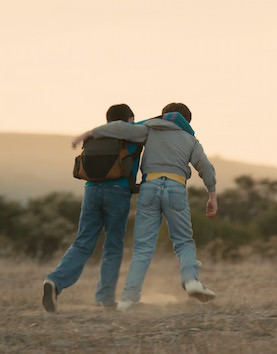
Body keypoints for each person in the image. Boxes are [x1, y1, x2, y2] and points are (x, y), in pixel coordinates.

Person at [70, 102, 218, 310]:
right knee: (184, 241)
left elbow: (119, 128)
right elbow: (206, 168)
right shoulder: (190, 140)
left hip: (149, 187)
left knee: (142, 248)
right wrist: (212, 196)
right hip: (175, 187)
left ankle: (128, 298)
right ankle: (191, 281)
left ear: (163, 116)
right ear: (187, 121)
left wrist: (88, 133)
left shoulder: (150, 129)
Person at [42, 104, 141, 313]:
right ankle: (105, 298)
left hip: (91, 191)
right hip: (118, 191)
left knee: (82, 242)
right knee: (113, 246)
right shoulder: (132, 134)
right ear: (129, 119)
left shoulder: (94, 137)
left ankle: (54, 281)